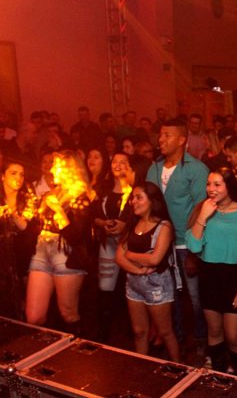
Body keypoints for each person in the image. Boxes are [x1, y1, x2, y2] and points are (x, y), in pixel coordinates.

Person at [186, 168, 237, 376]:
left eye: (217, 184)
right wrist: (203, 215)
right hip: (209, 277)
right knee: (214, 332)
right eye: (209, 184)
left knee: (233, 335)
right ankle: (218, 379)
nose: (211, 189)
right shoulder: (203, 209)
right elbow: (193, 246)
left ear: (229, 186)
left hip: (234, 278)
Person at [146, 118, 209, 348]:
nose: (161, 139)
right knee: (168, 294)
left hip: (186, 244)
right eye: (160, 134)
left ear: (182, 140)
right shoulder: (154, 168)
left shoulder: (196, 169)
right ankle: (176, 338)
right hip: (161, 245)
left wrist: (193, 251)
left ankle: (203, 340)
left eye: (167, 135)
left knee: (195, 296)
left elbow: (201, 209)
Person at [25, 150, 93, 334]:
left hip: (65, 253)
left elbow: (76, 236)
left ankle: (76, 348)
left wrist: (59, 210)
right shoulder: (50, 194)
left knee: (68, 313)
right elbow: (35, 225)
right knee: (33, 317)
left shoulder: (80, 198)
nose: (52, 169)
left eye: (56, 165)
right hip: (42, 250)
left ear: (68, 169)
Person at [115, 182, 180, 361]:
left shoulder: (163, 227)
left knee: (165, 332)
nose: (133, 201)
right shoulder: (133, 224)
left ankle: (179, 367)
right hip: (134, 284)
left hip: (157, 285)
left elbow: (155, 259)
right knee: (139, 331)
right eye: (132, 198)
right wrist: (140, 271)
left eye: (139, 197)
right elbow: (119, 257)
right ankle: (140, 368)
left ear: (152, 200)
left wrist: (130, 254)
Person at [91, 152, 134, 341]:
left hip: (129, 245)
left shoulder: (135, 190)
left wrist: (125, 225)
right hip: (107, 243)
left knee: (130, 288)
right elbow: (93, 215)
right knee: (105, 287)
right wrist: (103, 224)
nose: (118, 165)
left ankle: (131, 333)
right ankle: (103, 333)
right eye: (115, 161)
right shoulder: (103, 188)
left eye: (123, 162)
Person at [0, 161, 38, 318]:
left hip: (22, 255)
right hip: (2, 256)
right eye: (13, 173)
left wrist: (11, 213)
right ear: (2, 176)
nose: (19, 177)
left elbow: (26, 227)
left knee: (24, 300)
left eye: (22, 174)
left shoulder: (28, 198)